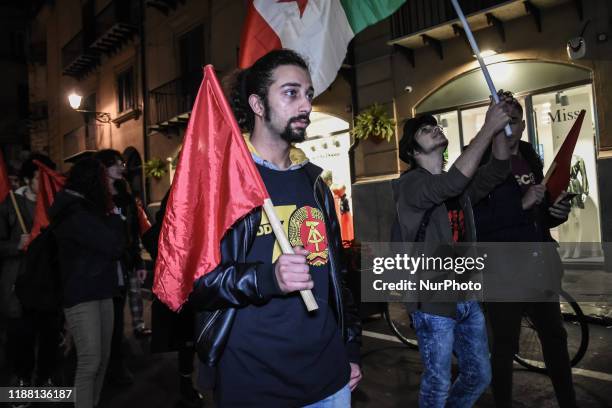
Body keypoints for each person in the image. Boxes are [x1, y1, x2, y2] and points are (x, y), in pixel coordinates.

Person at [187, 49, 361, 407]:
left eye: (309, 94)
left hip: (329, 378)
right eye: (291, 92)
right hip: (254, 382)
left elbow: (336, 277)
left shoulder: (315, 184)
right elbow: (198, 284)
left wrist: (351, 347)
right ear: (258, 104)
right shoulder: (224, 184)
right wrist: (269, 279)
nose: (306, 105)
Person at [392, 95, 512, 407]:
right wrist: (488, 127)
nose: (434, 129)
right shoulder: (411, 186)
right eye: (424, 129)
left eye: (435, 125)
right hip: (432, 303)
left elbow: (499, 168)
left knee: (479, 375)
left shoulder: (458, 185)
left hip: (466, 295)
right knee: (438, 384)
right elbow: (447, 186)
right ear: (413, 151)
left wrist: (499, 126)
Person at [473, 92, 576, 408]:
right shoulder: (478, 162)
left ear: (521, 126)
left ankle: (568, 402)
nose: (509, 127)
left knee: (556, 340)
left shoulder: (530, 156)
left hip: (539, 268)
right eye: (503, 119)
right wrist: (521, 204)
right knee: (504, 348)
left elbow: (539, 212)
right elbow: (474, 224)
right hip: (503, 274)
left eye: (514, 121)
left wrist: (554, 213)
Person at [51, 157, 125, 408]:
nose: (107, 183)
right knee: (90, 360)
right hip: (81, 294)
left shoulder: (86, 207)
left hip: (100, 289)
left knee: (102, 358)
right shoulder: (73, 210)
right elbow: (113, 245)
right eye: (103, 178)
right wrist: (114, 215)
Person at [0, 154, 63, 394]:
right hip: (19, 286)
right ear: (28, 178)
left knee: (49, 337)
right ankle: (22, 381)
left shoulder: (56, 205)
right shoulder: (10, 205)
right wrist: (16, 244)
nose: (45, 182)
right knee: (21, 339)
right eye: (40, 177)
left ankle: (46, 379)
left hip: (48, 286)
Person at [94, 149, 150, 386]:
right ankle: (107, 364)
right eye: (116, 163)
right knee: (109, 318)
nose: (121, 166)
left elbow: (134, 232)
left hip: (125, 262)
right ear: (104, 168)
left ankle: (116, 363)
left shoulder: (126, 197)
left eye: (121, 162)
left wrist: (137, 261)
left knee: (120, 313)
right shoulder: (95, 199)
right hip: (104, 267)